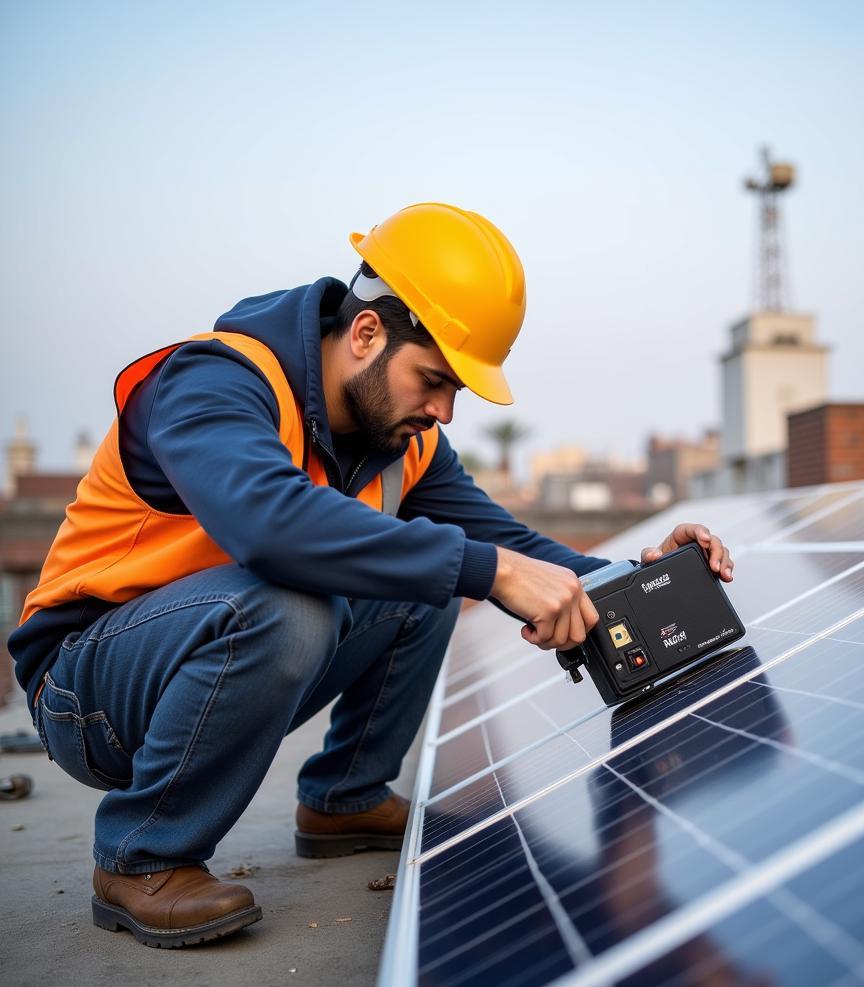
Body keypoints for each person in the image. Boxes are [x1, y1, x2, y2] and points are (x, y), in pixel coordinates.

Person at [8, 202, 734, 948]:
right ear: (365, 333)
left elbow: (506, 543)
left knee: (424, 584)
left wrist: (633, 575)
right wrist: (487, 569)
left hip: (205, 665)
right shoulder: (216, 381)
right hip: (86, 690)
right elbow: (267, 527)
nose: (445, 410)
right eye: (434, 380)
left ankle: (344, 798)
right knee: (295, 604)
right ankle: (142, 854)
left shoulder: (402, 439)